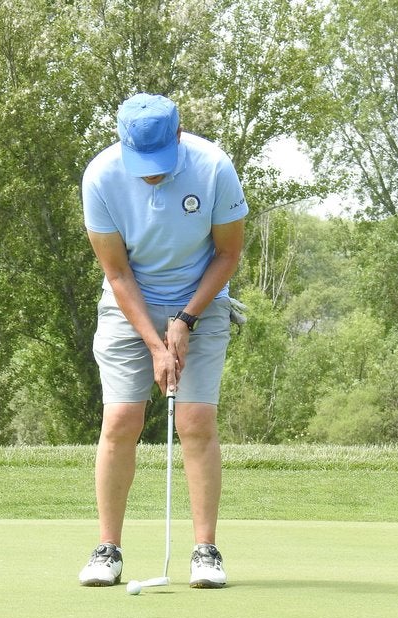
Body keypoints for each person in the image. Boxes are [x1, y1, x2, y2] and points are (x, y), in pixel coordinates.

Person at [78, 93, 248, 589]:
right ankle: (108, 549)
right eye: (140, 162)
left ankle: (205, 552)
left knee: (195, 420)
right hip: (128, 302)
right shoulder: (101, 176)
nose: (150, 174)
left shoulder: (214, 167)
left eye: (159, 162)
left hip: (203, 297)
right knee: (121, 418)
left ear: (178, 136)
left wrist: (186, 319)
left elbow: (229, 253)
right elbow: (116, 272)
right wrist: (155, 343)